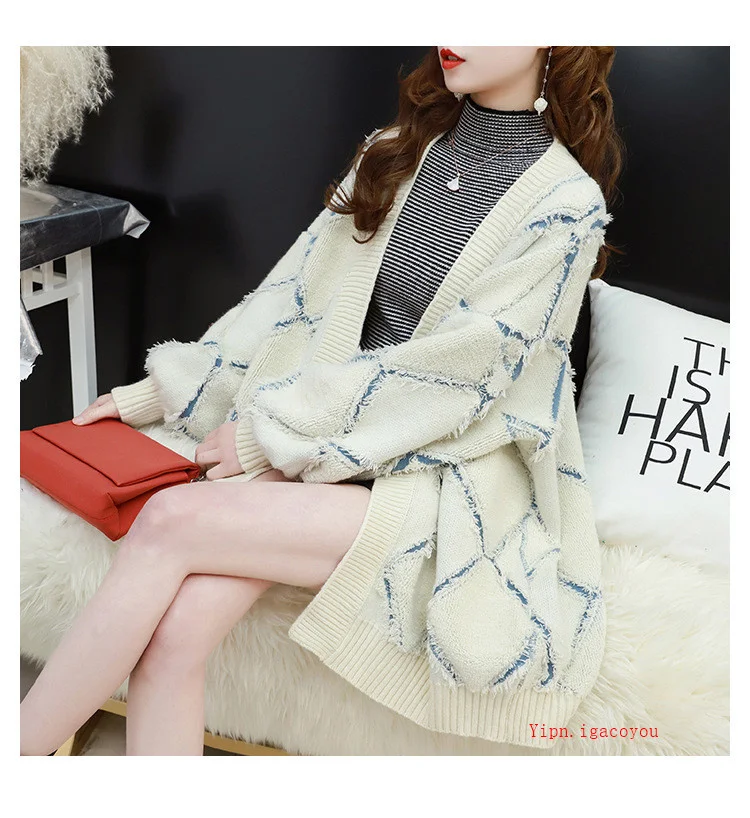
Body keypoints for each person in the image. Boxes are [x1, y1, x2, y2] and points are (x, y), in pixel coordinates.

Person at [20, 46, 623, 755]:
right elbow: (287, 298)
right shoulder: (396, 150)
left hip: (435, 474)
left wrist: (268, 438)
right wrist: (161, 391)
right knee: (175, 638)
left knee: (169, 518)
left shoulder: (566, 208)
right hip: (315, 449)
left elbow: (459, 379)